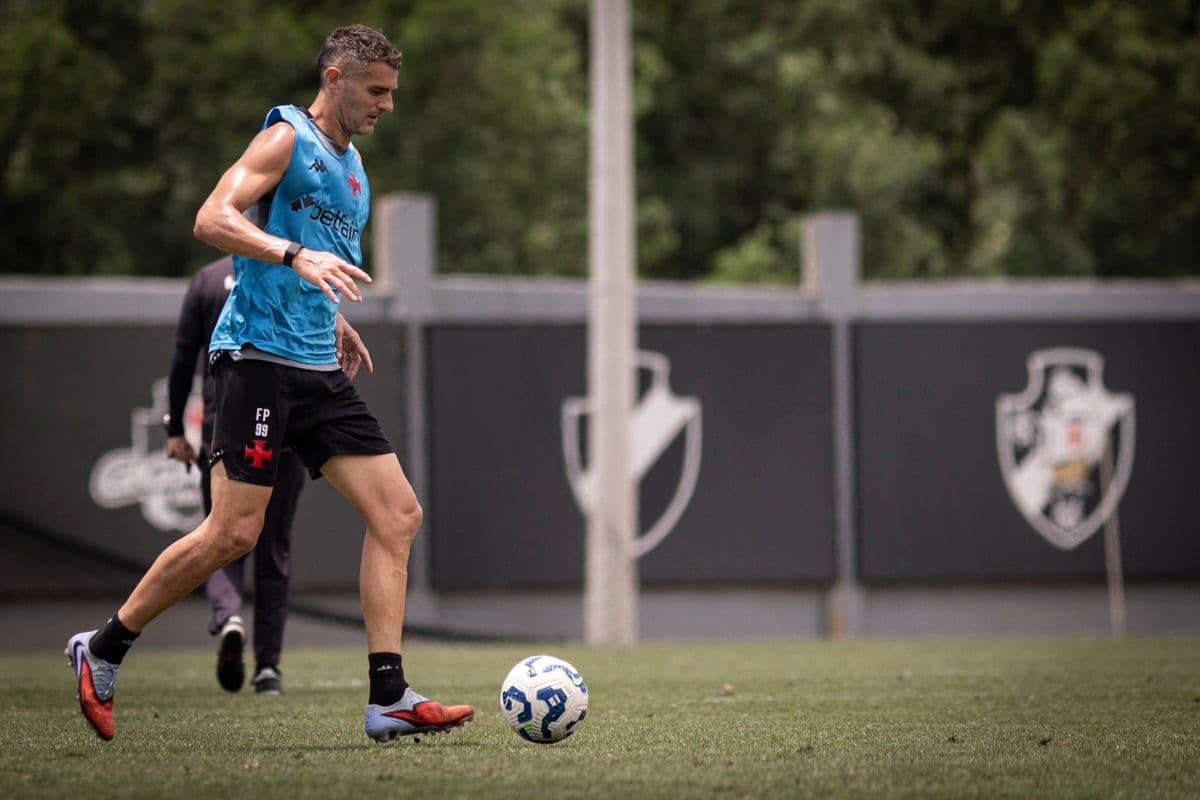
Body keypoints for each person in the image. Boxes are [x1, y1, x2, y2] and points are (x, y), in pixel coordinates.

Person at [67, 24, 473, 743]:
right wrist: (291, 255)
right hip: (255, 360)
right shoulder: (286, 137)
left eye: (391, 93)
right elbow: (212, 218)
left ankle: (388, 697)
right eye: (376, 92)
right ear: (336, 79)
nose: (386, 106)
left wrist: (332, 316)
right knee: (234, 533)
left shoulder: (353, 170)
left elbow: (321, 266)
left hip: (317, 365)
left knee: (397, 515)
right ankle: (101, 650)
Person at [164, 255, 306, 696]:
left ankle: (229, 616)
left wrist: (174, 429)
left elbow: (184, 358)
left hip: (226, 424)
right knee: (273, 546)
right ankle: (268, 668)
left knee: (221, 533)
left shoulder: (206, 279)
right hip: (285, 427)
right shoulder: (297, 266)